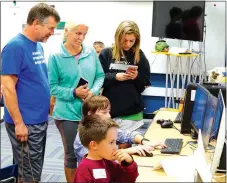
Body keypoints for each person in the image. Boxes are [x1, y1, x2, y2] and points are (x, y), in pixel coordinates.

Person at [1, 3, 60, 182]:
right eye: (50, 28)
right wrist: (19, 123)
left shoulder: (37, 46)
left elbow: (37, 79)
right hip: (25, 122)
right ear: (36, 22)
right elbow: (8, 88)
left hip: (38, 119)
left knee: (30, 168)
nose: (52, 32)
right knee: (30, 173)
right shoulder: (15, 47)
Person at [48, 20, 105, 182]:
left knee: (92, 150)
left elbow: (100, 76)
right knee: (72, 153)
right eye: (78, 33)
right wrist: (74, 92)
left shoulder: (90, 52)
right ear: (66, 32)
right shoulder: (56, 57)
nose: (81, 37)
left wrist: (92, 92)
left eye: (84, 34)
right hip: (67, 114)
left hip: (90, 111)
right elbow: (52, 88)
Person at [99, 20, 151, 148]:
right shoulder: (106, 54)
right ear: (118, 38)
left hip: (131, 112)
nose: (127, 44)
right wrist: (115, 77)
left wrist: (136, 77)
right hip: (109, 112)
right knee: (108, 150)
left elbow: (144, 84)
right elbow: (98, 79)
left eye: (131, 41)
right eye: (124, 40)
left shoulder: (139, 56)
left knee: (124, 152)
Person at [74, 95, 166, 163]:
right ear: (90, 114)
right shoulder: (82, 136)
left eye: (109, 112)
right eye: (104, 112)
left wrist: (144, 141)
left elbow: (127, 135)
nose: (109, 116)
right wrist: (127, 151)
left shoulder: (106, 128)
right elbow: (98, 156)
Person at [74, 114, 139, 183]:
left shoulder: (107, 162)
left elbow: (127, 180)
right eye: (111, 142)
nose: (115, 147)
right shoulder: (84, 170)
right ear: (94, 145)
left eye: (115, 142)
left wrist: (129, 163)